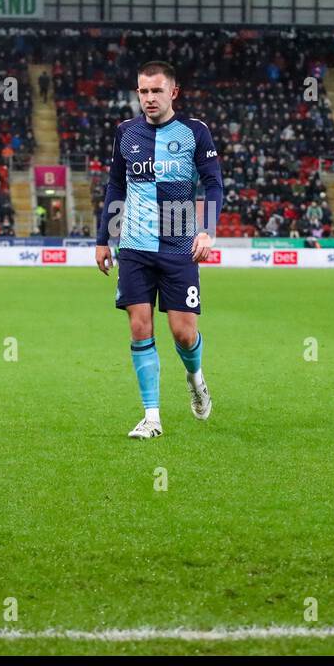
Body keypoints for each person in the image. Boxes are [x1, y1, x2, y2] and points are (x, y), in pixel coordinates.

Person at [95, 61, 222, 440]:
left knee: (183, 334)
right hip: (134, 243)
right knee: (139, 326)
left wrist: (207, 231)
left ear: (173, 93)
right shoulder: (125, 133)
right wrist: (104, 238)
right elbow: (116, 186)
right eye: (143, 91)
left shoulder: (195, 133)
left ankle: (195, 378)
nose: (149, 98)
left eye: (156, 91)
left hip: (179, 243)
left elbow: (213, 185)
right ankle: (152, 417)